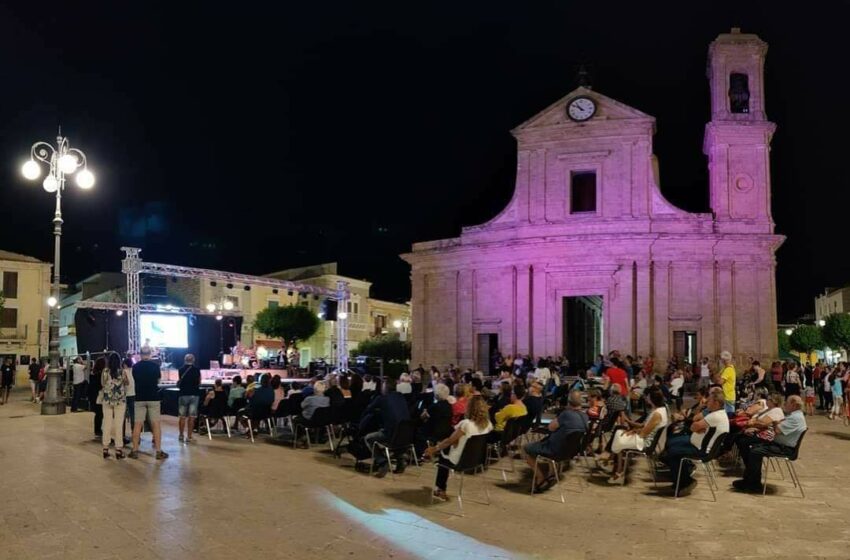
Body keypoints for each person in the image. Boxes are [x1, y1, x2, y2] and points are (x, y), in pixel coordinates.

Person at [424, 395, 493, 502]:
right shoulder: (488, 424)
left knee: (443, 456)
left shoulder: (466, 424)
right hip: (476, 460)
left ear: (469, 408)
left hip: (460, 460)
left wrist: (434, 449)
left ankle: (440, 490)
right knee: (446, 450)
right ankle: (440, 489)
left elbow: (449, 440)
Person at [733, 395, 807, 492]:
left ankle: (754, 484)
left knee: (754, 451)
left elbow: (777, 430)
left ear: (793, 404)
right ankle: (749, 480)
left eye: (787, 402)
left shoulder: (796, 418)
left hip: (784, 448)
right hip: (779, 443)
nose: (785, 404)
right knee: (749, 445)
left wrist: (775, 421)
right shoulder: (794, 415)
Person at [661, 391, 729, 496]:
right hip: (699, 445)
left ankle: (685, 482)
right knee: (672, 444)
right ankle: (681, 476)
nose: (706, 402)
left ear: (716, 403)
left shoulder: (714, 416)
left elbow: (693, 426)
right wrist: (698, 428)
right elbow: (696, 427)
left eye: (709, 400)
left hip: (701, 450)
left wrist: (697, 428)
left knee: (673, 452)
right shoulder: (719, 414)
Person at [524, 390, 588, 491]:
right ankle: (552, 473)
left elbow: (550, 427)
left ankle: (540, 478)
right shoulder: (585, 416)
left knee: (526, 449)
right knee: (555, 440)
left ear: (568, 402)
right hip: (571, 452)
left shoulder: (566, 414)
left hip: (556, 451)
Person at [607, 387, 669, 484]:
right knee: (619, 434)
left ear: (652, 399)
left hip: (644, 442)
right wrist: (633, 430)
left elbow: (644, 432)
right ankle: (618, 468)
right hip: (645, 438)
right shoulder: (661, 410)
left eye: (648, 397)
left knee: (618, 437)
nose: (646, 399)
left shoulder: (657, 414)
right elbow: (646, 428)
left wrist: (633, 431)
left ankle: (618, 470)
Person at [361, 378, 410, 477]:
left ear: (385, 388)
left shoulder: (382, 398)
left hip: (391, 434)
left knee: (368, 438)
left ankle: (382, 461)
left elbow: (368, 409)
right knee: (395, 433)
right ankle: (400, 460)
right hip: (406, 435)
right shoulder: (401, 397)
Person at [131, 347, 167, 460]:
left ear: (140, 354)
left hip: (139, 398)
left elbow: (135, 379)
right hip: (153, 398)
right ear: (150, 354)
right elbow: (158, 380)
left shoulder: (135, 367)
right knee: (156, 424)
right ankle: (158, 451)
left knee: (137, 424)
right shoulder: (155, 367)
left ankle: (135, 450)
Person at [100, 354, 130, 459]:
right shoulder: (122, 372)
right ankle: (118, 450)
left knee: (107, 423)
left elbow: (102, 384)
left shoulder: (105, 371)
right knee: (119, 425)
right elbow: (127, 383)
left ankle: (105, 448)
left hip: (107, 400)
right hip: (120, 401)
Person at [416, 383, 453, 457]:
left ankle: (420, 454)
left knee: (417, 430)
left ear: (436, 394)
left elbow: (423, 417)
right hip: (446, 431)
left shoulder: (435, 407)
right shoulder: (449, 406)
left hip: (434, 433)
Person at [175, 354, 201, 443]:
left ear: (184, 360)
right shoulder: (197, 370)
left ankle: (181, 435)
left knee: (182, 416)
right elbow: (199, 382)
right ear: (193, 360)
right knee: (192, 417)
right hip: (194, 394)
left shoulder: (180, 370)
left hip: (183, 394)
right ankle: (189, 436)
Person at [89, 357, 105, 438]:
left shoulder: (93, 374)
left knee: (98, 414)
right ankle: (98, 430)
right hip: (99, 396)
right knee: (100, 414)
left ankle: (97, 429)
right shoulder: (101, 374)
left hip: (94, 396)